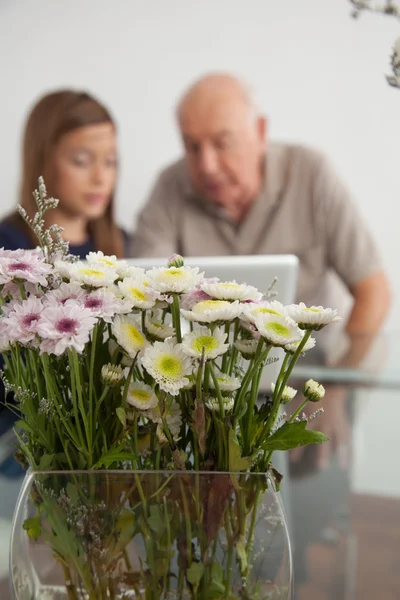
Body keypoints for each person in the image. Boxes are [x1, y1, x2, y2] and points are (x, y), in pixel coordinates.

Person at [132, 72, 391, 468]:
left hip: (311, 381)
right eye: (192, 146)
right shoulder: (168, 188)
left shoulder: (312, 173)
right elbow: (147, 298)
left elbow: (374, 290)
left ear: (260, 131)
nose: (207, 164)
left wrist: (335, 391)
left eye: (222, 142)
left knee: (314, 503)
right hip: (207, 391)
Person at [0, 89, 128, 257]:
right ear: (42, 160)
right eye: (81, 161)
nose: (100, 178)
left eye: (110, 161)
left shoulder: (126, 244)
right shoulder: (8, 249)